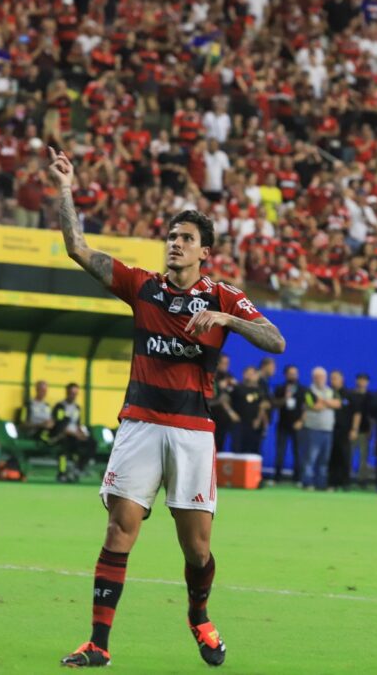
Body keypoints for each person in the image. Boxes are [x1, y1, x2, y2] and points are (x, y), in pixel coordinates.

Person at [49, 147, 285, 668]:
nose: (174, 246)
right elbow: (77, 248)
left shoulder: (224, 296)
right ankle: (99, 643)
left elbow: (275, 341)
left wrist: (227, 322)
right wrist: (66, 186)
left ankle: (198, 616)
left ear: (205, 253)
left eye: (185, 240)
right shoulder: (143, 288)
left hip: (192, 432)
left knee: (197, 551)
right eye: (171, 238)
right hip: (139, 425)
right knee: (119, 529)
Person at [301, 367, 340, 491]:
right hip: (313, 428)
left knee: (324, 459)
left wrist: (322, 401)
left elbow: (338, 404)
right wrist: (328, 403)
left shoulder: (330, 390)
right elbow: (313, 406)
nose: (320, 379)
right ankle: (307, 483)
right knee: (310, 458)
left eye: (322, 377)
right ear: (313, 378)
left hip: (328, 429)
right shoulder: (308, 391)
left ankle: (321, 484)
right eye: (317, 377)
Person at [48, 382, 96, 483]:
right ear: (67, 392)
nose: (73, 395)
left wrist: (82, 433)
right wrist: (76, 435)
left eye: (75, 393)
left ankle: (78, 468)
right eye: (71, 393)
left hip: (75, 435)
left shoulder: (77, 408)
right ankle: (63, 473)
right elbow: (60, 426)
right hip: (64, 435)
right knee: (67, 445)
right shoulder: (60, 406)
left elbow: (77, 424)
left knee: (92, 442)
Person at [270, 364, 306, 485]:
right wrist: (285, 398)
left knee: (298, 452)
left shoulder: (303, 389)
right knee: (280, 452)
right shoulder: (280, 388)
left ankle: (298, 479)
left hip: (297, 425)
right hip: (282, 425)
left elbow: (307, 407)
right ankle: (277, 478)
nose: (293, 376)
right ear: (286, 375)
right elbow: (274, 404)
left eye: (295, 373)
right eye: (291, 373)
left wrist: (301, 421)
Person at [327, 370, 360, 490]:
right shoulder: (327, 393)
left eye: (335, 378)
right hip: (330, 429)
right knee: (332, 457)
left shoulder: (349, 394)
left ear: (342, 379)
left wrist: (354, 429)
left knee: (345, 457)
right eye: (331, 378)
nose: (333, 380)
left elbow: (357, 413)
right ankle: (332, 483)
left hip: (345, 430)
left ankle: (345, 483)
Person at [228, 366, 267, 454]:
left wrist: (259, 420)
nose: (250, 376)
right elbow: (224, 399)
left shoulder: (260, 390)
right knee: (237, 449)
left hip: (254, 425)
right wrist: (231, 413)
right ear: (244, 375)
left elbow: (263, 406)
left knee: (253, 451)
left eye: (253, 374)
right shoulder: (237, 387)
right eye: (248, 373)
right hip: (239, 423)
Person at [350, 373, 371, 487]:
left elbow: (372, 416)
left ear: (367, 383)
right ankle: (346, 477)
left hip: (365, 430)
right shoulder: (351, 395)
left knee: (364, 457)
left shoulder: (370, 396)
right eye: (360, 380)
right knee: (349, 454)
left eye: (364, 380)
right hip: (351, 430)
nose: (362, 383)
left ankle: (362, 479)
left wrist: (370, 431)